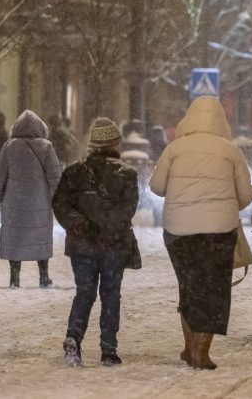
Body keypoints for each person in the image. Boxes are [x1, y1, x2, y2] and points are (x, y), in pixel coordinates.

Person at [151, 96, 252, 370]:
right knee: (213, 291)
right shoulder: (231, 151)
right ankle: (201, 351)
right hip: (218, 233)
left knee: (189, 289)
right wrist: (225, 204)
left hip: (178, 232)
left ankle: (189, 348)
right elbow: (245, 195)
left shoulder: (174, 149)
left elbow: (157, 187)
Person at [53, 117, 141, 367]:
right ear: (115, 144)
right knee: (111, 295)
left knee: (85, 293)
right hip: (114, 245)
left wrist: (78, 223)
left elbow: (60, 203)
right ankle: (109, 350)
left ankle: (73, 337)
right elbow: (127, 210)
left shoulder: (74, 171)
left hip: (82, 244)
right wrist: (108, 229)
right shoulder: (127, 174)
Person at [0, 110, 62, 289]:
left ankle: (14, 279)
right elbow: (55, 177)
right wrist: (59, 200)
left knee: (15, 236)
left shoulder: (9, 146)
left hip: (14, 200)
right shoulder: (46, 147)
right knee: (40, 235)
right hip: (39, 200)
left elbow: (0, 175)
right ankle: (44, 276)